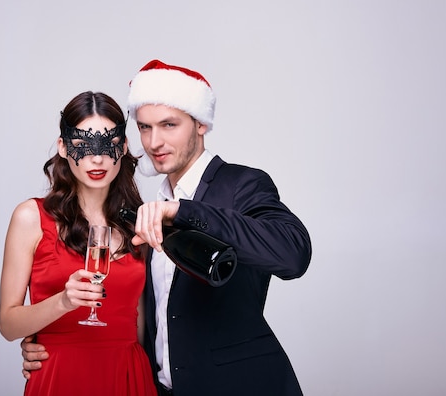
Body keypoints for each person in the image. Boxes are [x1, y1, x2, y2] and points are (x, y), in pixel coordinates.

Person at [21, 61, 312, 396]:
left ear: (201, 124)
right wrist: (48, 342)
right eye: (145, 128)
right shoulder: (144, 213)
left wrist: (185, 211)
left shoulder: (241, 185)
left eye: (169, 125)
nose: (154, 142)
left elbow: (293, 254)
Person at [0, 91, 157, 396]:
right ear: (62, 146)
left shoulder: (138, 224)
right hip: (61, 375)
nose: (96, 159)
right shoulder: (31, 218)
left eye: (108, 145)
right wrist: (62, 302)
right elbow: (8, 324)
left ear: (123, 147)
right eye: (82, 146)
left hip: (128, 375)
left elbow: (142, 325)